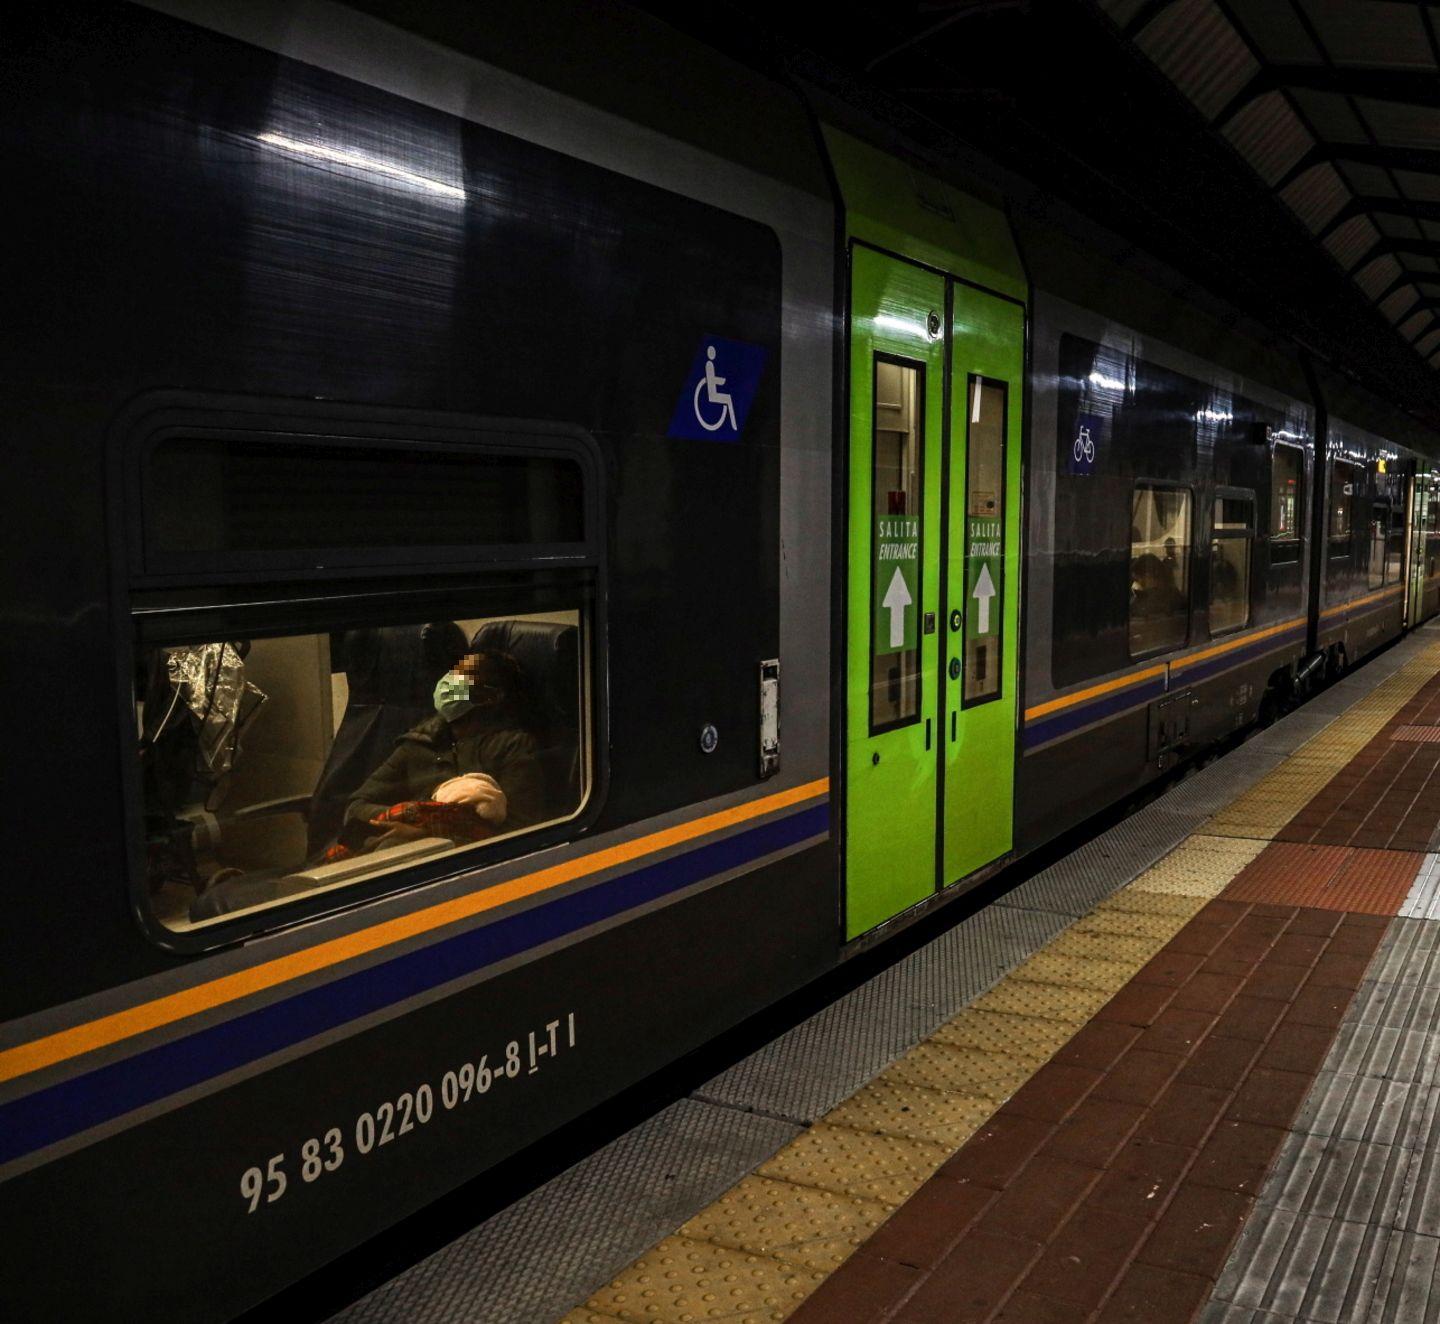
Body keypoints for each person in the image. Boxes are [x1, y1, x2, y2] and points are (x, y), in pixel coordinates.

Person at [337, 650, 546, 855]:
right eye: (453, 672)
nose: (450, 680)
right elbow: (356, 806)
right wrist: (405, 817)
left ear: (492, 696)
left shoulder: (512, 746)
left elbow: (520, 831)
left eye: (465, 675)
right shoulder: (421, 741)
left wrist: (427, 836)